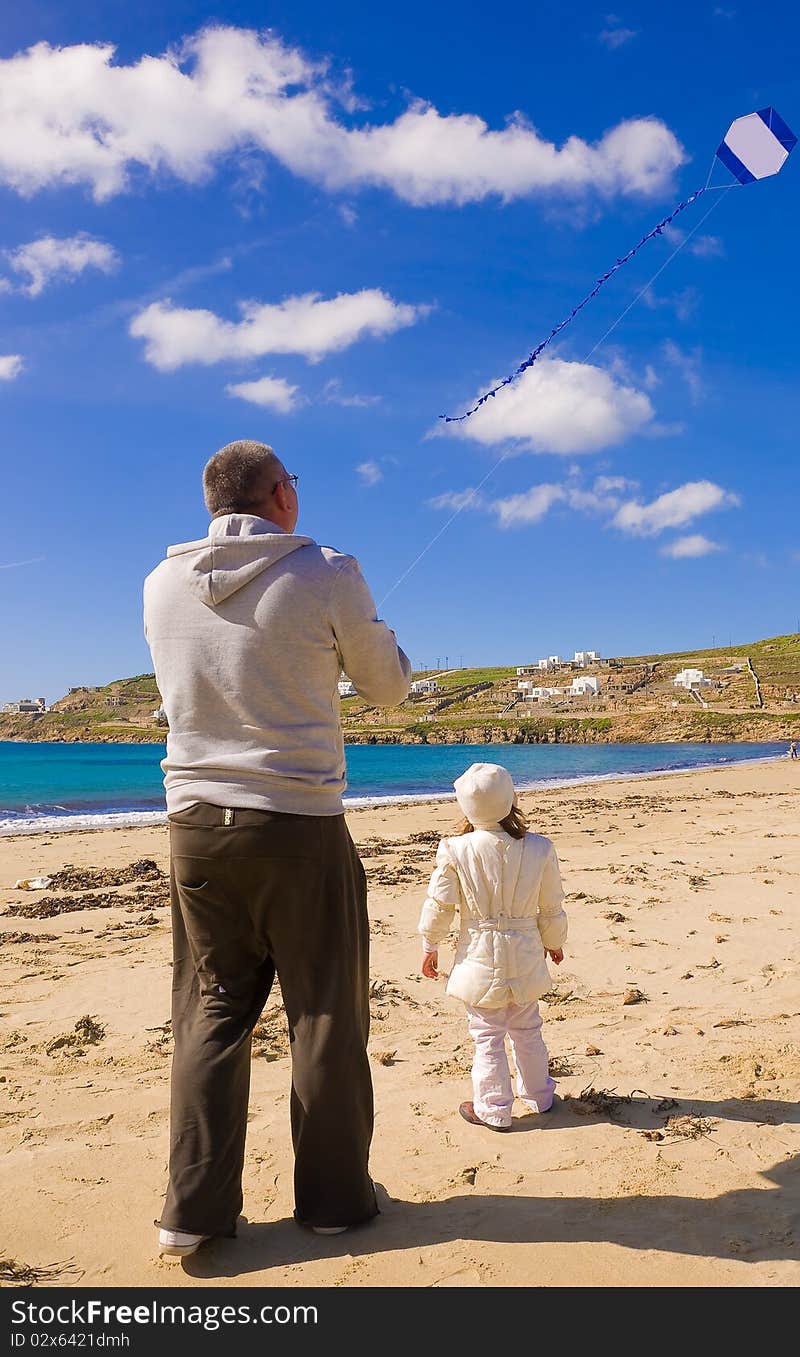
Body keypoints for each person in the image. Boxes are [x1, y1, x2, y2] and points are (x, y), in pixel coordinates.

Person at [143, 439, 411, 1257]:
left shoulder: (160, 583)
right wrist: (377, 638)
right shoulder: (327, 569)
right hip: (296, 822)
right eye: (293, 481)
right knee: (325, 1013)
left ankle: (192, 1211)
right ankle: (333, 1201)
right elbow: (387, 685)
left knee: (211, 1013)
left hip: (196, 826)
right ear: (277, 495)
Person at [418, 763, 567, 1131]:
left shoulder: (454, 849)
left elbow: (441, 904)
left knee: (487, 1035)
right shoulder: (539, 848)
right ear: (512, 800)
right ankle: (538, 1095)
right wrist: (555, 942)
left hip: (479, 955)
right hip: (526, 953)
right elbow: (551, 905)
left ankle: (494, 1108)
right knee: (527, 1028)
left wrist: (429, 943)